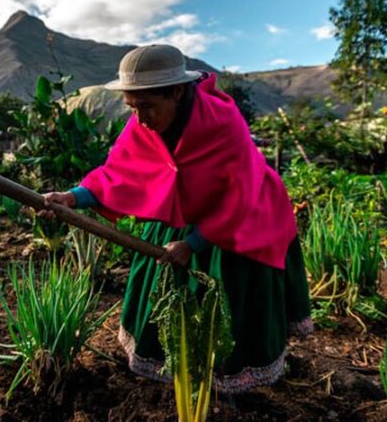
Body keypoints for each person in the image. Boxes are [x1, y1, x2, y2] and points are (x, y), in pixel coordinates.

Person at [39, 44, 313, 394]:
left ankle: (231, 379)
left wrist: (194, 243)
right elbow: (119, 173)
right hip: (180, 208)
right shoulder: (143, 124)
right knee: (163, 292)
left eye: (148, 107)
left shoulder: (223, 123)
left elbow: (241, 195)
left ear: (178, 92)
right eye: (132, 108)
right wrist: (72, 198)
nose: (140, 119)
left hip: (244, 214)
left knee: (229, 301)